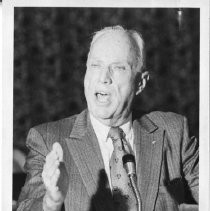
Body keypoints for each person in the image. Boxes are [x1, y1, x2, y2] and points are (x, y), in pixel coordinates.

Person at [17, 26, 198, 211]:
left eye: (118, 68)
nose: (104, 78)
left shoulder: (174, 132)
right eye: (96, 66)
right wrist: (51, 202)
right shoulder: (47, 139)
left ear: (140, 83)